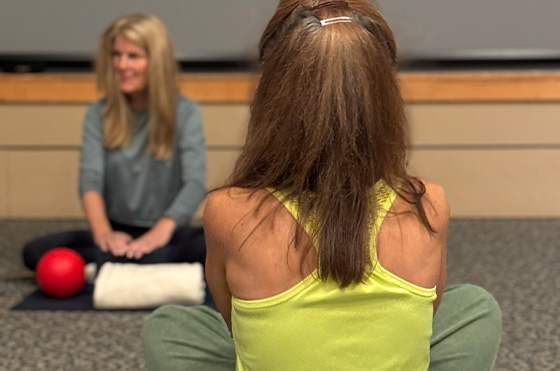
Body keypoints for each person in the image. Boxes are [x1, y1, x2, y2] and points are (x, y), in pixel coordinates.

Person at [141, 1, 501, 370]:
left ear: (272, 97)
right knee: (473, 305)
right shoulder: (430, 203)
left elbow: (234, 326)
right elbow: (427, 318)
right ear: (385, 99)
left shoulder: (227, 211)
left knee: (172, 326)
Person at [23, 14, 206, 271]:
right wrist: (103, 234)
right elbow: (90, 180)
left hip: (168, 232)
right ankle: (144, 263)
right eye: (116, 55)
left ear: (157, 61)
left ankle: (122, 265)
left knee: (213, 248)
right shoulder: (98, 113)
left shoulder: (186, 112)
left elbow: (195, 182)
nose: (121, 64)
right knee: (36, 252)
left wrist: (159, 233)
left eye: (134, 56)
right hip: (116, 232)